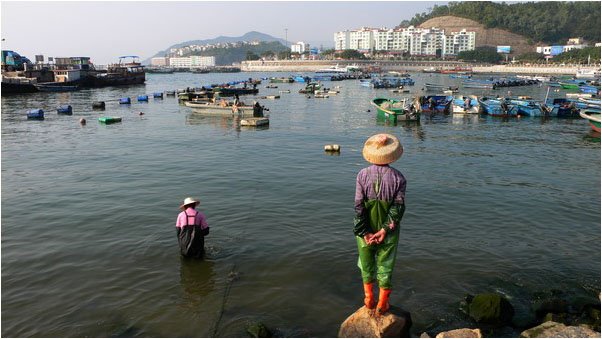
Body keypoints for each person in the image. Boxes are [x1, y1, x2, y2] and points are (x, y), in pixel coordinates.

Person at [354, 134, 406, 315]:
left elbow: (359, 206)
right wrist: (384, 230)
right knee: (386, 263)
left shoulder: (362, 175)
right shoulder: (399, 178)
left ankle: (368, 298)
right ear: (392, 155)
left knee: (366, 261)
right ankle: (383, 303)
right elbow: (398, 208)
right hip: (388, 230)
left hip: (365, 227)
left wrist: (365, 231)